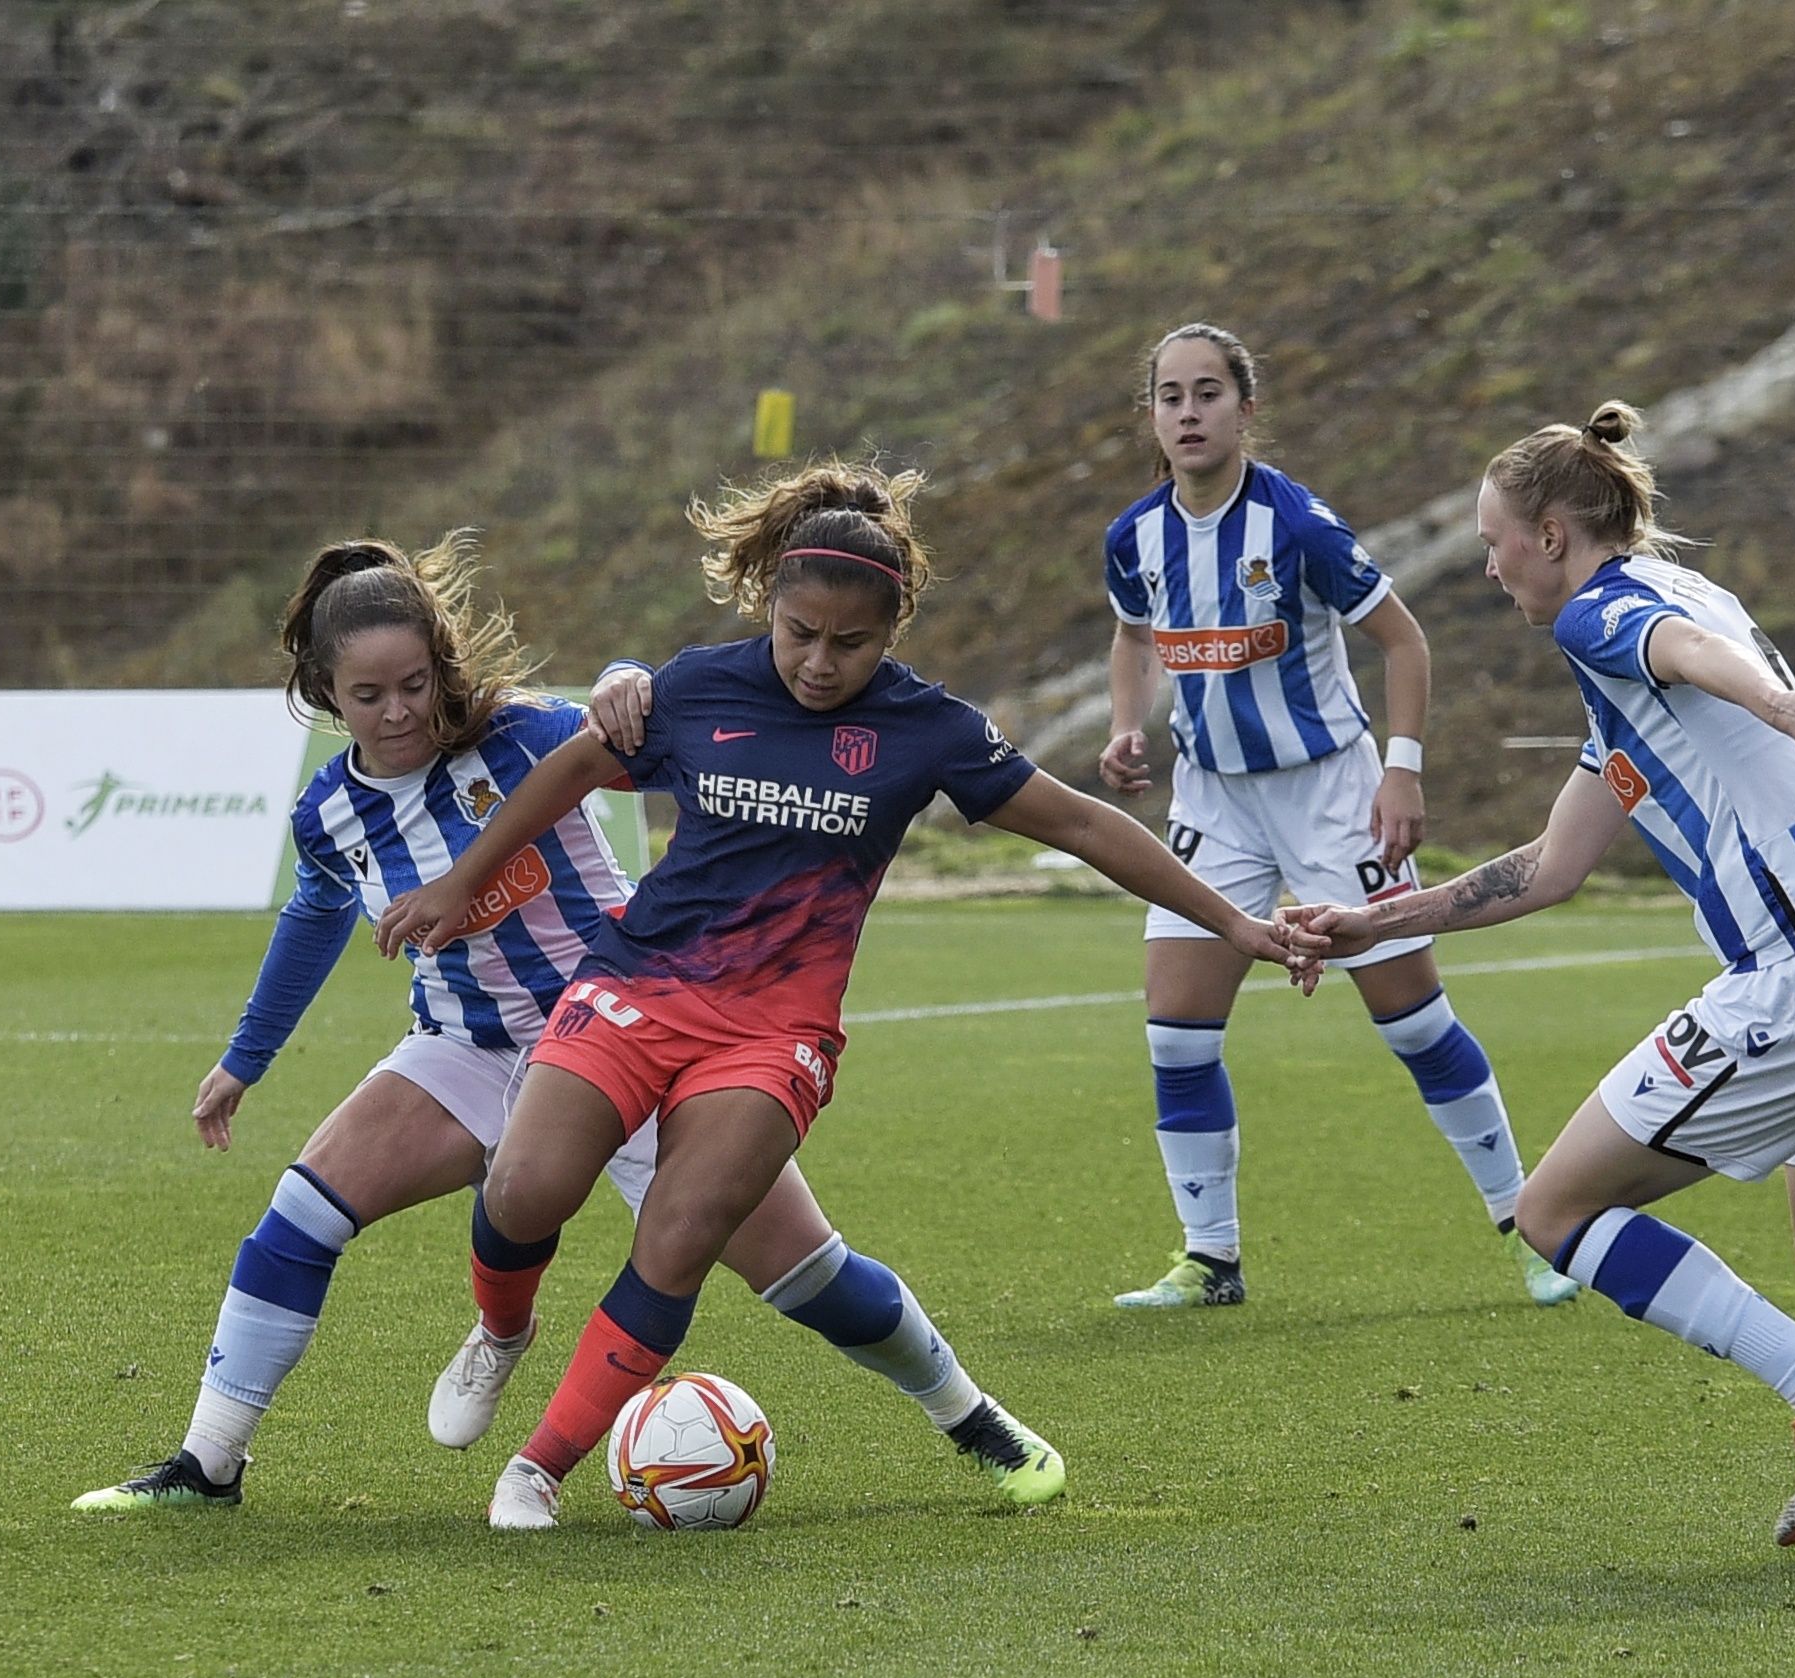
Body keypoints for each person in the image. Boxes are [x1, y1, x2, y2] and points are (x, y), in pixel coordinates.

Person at [376, 461, 1297, 1530]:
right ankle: (500, 1331)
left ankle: (536, 1469)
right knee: (526, 1185)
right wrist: (459, 881)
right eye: (798, 631)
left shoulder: (929, 729)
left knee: (684, 1230)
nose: (819, 661)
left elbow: (1086, 823)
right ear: (768, 602)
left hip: (774, 1030)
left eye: (849, 643)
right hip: (638, 980)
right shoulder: (697, 687)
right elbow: (573, 766)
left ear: (893, 628)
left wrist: (1234, 920)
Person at [1279, 403, 1795, 1553]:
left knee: (1552, 1209)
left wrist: (1772, 700)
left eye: (1493, 541)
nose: (1486, 567)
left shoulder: (1606, 612)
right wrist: (1374, 923)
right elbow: (1547, 868)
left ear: (1549, 532)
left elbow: (1679, 651)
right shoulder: (1653, 646)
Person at [74, 535, 1061, 1514]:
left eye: (414, 685)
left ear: (441, 667)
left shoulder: (521, 735)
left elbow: (633, 713)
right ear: (326, 692)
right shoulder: (328, 811)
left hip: (630, 1029)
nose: (397, 711)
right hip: (461, 1051)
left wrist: (627, 676)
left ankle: (970, 1416)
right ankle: (210, 1462)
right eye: (367, 695)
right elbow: (313, 919)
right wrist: (243, 1061)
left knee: (808, 1274)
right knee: (297, 1219)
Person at [1099, 324, 1564, 1311]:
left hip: (1328, 791)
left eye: (1207, 393)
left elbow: (1403, 642)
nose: (1187, 411)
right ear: (1149, 413)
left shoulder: (1298, 526)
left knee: (1412, 1020)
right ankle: (1209, 1258)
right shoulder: (1134, 536)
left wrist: (1399, 774)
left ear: (1244, 407)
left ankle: (1532, 1228)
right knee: (1176, 1035)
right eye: (1169, 395)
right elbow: (1132, 634)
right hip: (1213, 802)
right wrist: (1124, 724)